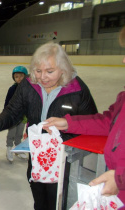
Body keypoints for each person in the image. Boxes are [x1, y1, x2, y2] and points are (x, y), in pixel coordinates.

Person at [0, 42, 98, 210]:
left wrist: (68, 134)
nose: (42, 77)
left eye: (50, 71)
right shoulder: (28, 84)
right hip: (37, 155)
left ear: (63, 69)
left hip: (64, 160)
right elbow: (13, 111)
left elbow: (91, 124)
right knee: (39, 198)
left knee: (58, 200)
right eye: (38, 71)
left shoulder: (77, 90)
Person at [43, 27, 125, 209]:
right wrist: (67, 123)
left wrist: (120, 178)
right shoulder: (124, 99)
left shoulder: (78, 89)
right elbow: (107, 122)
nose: (124, 59)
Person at [4, 66, 29, 162]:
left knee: (19, 134)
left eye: (21, 76)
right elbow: (7, 102)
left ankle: (18, 149)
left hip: (23, 117)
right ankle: (9, 149)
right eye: (16, 76)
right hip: (13, 116)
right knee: (11, 134)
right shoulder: (12, 89)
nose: (19, 78)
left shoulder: (28, 89)